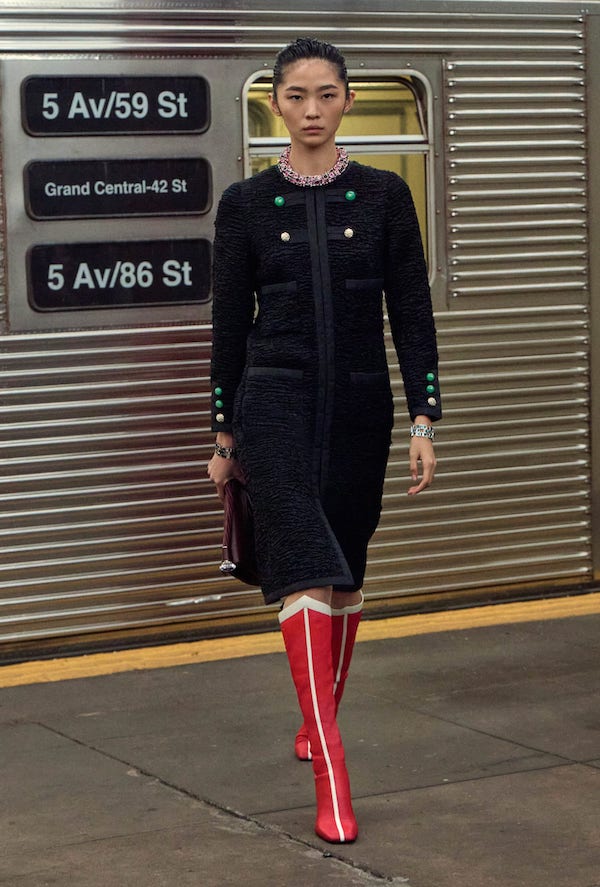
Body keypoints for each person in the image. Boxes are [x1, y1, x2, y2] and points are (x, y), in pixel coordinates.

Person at [207, 37, 440, 844]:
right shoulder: (244, 203)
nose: (312, 110)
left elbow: (411, 311)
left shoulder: (383, 196)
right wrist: (223, 432)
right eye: (297, 95)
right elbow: (228, 324)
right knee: (305, 567)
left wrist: (425, 418)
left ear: (347, 100)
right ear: (275, 102)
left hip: (360, 407)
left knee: (346, 573)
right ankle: (333, 766)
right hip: (273, 400)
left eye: (327, 94)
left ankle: (317, 719)